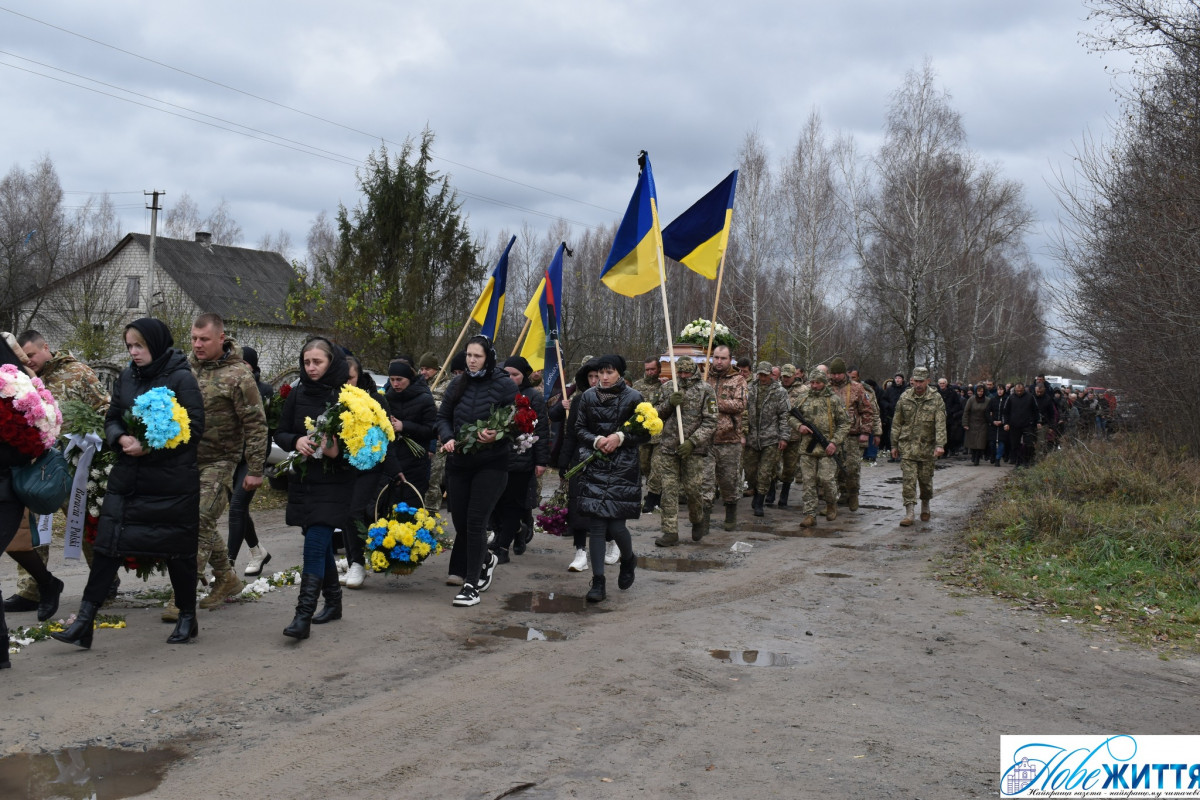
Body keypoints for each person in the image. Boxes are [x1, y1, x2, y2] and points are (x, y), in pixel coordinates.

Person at [53, 318, 206, 648]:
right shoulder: (126, 377)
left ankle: (187, 617)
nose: (134, 352)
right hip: (128, 480)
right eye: (129, 347)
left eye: (139, 346)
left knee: (178, 552)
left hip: (170, 485)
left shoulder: (182, 378)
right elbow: (111, 418)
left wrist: (148, 445)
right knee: (107, 547)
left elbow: (193, 430)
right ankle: (85, 620)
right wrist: (120, 437)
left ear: (156, 344)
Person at [168, 313, 266, 621]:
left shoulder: (238, 375)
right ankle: (226, 578)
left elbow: (256, 424)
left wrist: (255, 468)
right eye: (194, 339)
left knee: (198, 521)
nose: (197, 344)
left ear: (220, 339)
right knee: (197, 522)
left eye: (204, 339)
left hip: (221, 461)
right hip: (186, 460)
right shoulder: (185, 368)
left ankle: (181, 595)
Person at [5, 330, 109, 617]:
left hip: (74, 465)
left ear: (46, 347)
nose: (29, 361)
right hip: (34, 468)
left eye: (32, 355)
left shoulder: (77, 373)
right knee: (31, 529)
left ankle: (104, 580)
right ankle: (32, 589)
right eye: (22, 357)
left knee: (83, 522)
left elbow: (104, 407)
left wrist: (90, 437)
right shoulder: (20, 379)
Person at [436, 335, 514, 607]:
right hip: (458, 463)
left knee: (475, 522)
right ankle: (486, 559)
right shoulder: (457, 384)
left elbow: (517, 423)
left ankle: (470, 586)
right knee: (460, 523)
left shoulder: (503, 385)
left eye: (477, 356)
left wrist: (498, 435)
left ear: (488, 357)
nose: (471, 360)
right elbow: (443, 416)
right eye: (468, 355)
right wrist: (447, 436)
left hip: (491, 464)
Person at [1, 333, 62, 666]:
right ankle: (47, 583)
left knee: (20, 540)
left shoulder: (15, 376)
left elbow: (39, 420)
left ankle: (49, 583)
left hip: (16, 475)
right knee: (18, 543)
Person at [571, 354, 645, 602]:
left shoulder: (635, 398)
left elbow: (644, 432)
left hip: (623, 469)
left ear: (620, 374)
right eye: (601, 372)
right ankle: (598, 582)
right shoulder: (587, 397)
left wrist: (620, 437)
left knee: (616, 526)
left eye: (609, 372)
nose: (603, 377)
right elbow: (579, 428)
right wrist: (597, 440)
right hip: (595, 464)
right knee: (596, 526)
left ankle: (628, 559)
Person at [650, 356, 717, 547]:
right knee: (669, 490)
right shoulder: (668, 387)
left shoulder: (705, 390)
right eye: (680, 372)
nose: (683, 376)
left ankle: (698, 519)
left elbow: (711, 420)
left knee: (693, 489)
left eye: (687, 372)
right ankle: (670, 531)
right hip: (669, 447)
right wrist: (669, 404)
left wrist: (693, 442)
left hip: (693, 450)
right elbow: (654, 414)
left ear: (694, 372)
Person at [490, 356, 549, 564]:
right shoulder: (495, 392)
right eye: (506, 374)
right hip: (496, 456)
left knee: (512, 504)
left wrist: (541, 461)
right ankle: (512, 531)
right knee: (494, 503)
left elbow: (541, 430)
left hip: (522, 458)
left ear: (523, 376)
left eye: (515, 375)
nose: (510, 378)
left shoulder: (533, 396)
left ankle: (503, 547)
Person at [227, 345, 274, 576]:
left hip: (251, 458)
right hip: (230, 457)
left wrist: (259, 464)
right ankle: (257, 552)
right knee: (239, 510)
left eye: (243, 364)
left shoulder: (265, 391)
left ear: (252, 366)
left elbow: (267, 429)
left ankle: (226, 568)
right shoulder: (229, 386)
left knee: (236, 508)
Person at [890, 367, 947, 527]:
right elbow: (896, 423)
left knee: (925, 481)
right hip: (907, 446)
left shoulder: (935, 399)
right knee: (908, 480)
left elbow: (940, 424)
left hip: (927, 448)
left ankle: (925, 504)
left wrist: (940, 444)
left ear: (928, 381)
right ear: (912, 381)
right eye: (916, 381)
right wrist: (893, 445)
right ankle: (909, 513)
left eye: (922, 381)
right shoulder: (905, 397)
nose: (919, 384)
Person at [793, 368, 850, 528]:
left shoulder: (833, 400)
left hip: (827, 449)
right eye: (811, 382)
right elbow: (790, 416)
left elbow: (845, 423)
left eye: (817, 382)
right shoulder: (803, 399)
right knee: (808, 482)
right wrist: (799, 426)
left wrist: (834, 442)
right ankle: (810, 514)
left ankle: (831, 503)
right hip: (807, 449)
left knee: (826, 480)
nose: (814, 385)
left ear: (824, 383)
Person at [706, 345, 747, 531]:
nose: (719, 362)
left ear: (730, 359)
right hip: (706, 439)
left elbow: (740, 404)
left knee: (729, 480)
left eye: (723, 358)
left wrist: (715, 403)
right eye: (716, 358)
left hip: (729, 439)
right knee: (704, 481)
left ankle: (730, 513)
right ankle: (703, 518)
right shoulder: (705, 377)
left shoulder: (738, 380)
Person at [742, 361, 790, 517]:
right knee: (750, 471)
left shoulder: (780, 392)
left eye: (765, 375)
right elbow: (743, 411)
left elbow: (784, 415)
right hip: (751, 437)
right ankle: (756, 492)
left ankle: (760, 500)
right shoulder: (750, 389)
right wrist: (743, 432)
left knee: (765, 472)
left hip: (770, 437)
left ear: (771, 374)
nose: (762, 378)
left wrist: (784, 437)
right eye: (760, 374)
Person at [827, 357, 875, 512]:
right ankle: (835, 499)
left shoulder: (857, 388)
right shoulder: (826, 388)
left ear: (844, 373)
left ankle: (853, 493)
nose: (835, 377)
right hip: (832, 436)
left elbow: (867, 411)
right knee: (833, 469)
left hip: (852, 435)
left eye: (838, 374)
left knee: (852, 468)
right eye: (833, 374)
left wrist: (865, 432)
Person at [632, 356, 663, 512]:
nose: (650, 372)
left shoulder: (665, 386)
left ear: (659, 369)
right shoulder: (637, 386)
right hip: (643, 435)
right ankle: (655, 491)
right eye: (647, 370)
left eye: (653, 369)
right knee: (645, 466)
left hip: (660, 436)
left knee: (657, 467)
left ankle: (653, 498)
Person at [776, 364, 808, 508]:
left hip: (794, 435)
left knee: (789, 467)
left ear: (795, 375)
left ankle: (784, 494)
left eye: (788, 376)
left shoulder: (803, 390)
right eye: (784, 376)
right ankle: (770, 491)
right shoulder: (776, 388)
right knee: (772, 466)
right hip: (776, 434)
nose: (786, 379)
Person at [1002, 382, 1040, 468]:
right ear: (1015, 390)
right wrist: (1006, 423)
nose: (1019, 392)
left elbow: (1036, 410)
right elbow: (1005, 412)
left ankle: (1026, 461)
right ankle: (1018, 462)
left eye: (1021, 391)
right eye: (1017, 391)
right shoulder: (1011, 398)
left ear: (1024, 390)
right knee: (1015, 444)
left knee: (1028, 444)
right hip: (1014, 425)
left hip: (1027, 424)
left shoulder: (1030, 397)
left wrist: (1038, 421)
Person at [962, 384, 990, 466]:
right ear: (976, 391)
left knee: (980, 442)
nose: (980, 393)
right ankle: (973, 456)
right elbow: (966, 412)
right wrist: (965, 423)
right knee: (973, 442)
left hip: (983, 423)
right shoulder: (971, 399)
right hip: (972, 423)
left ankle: (977, 458)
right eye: (978, 391)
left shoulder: (988, 400)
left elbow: (989, 412)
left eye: (981, 391)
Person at [987, 383, 1008, 465]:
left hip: (1003, 424)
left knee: (1001, 442)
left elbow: (1008, 413)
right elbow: (987, 412)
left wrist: (1003, 422)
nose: (1000, 391)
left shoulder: (1007, 400)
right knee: (992, 442)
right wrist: (992, 421)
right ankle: (992, 454)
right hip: (993, 424)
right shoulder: (993, 399)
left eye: (1001, 389)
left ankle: (998, 458)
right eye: (998, 389)